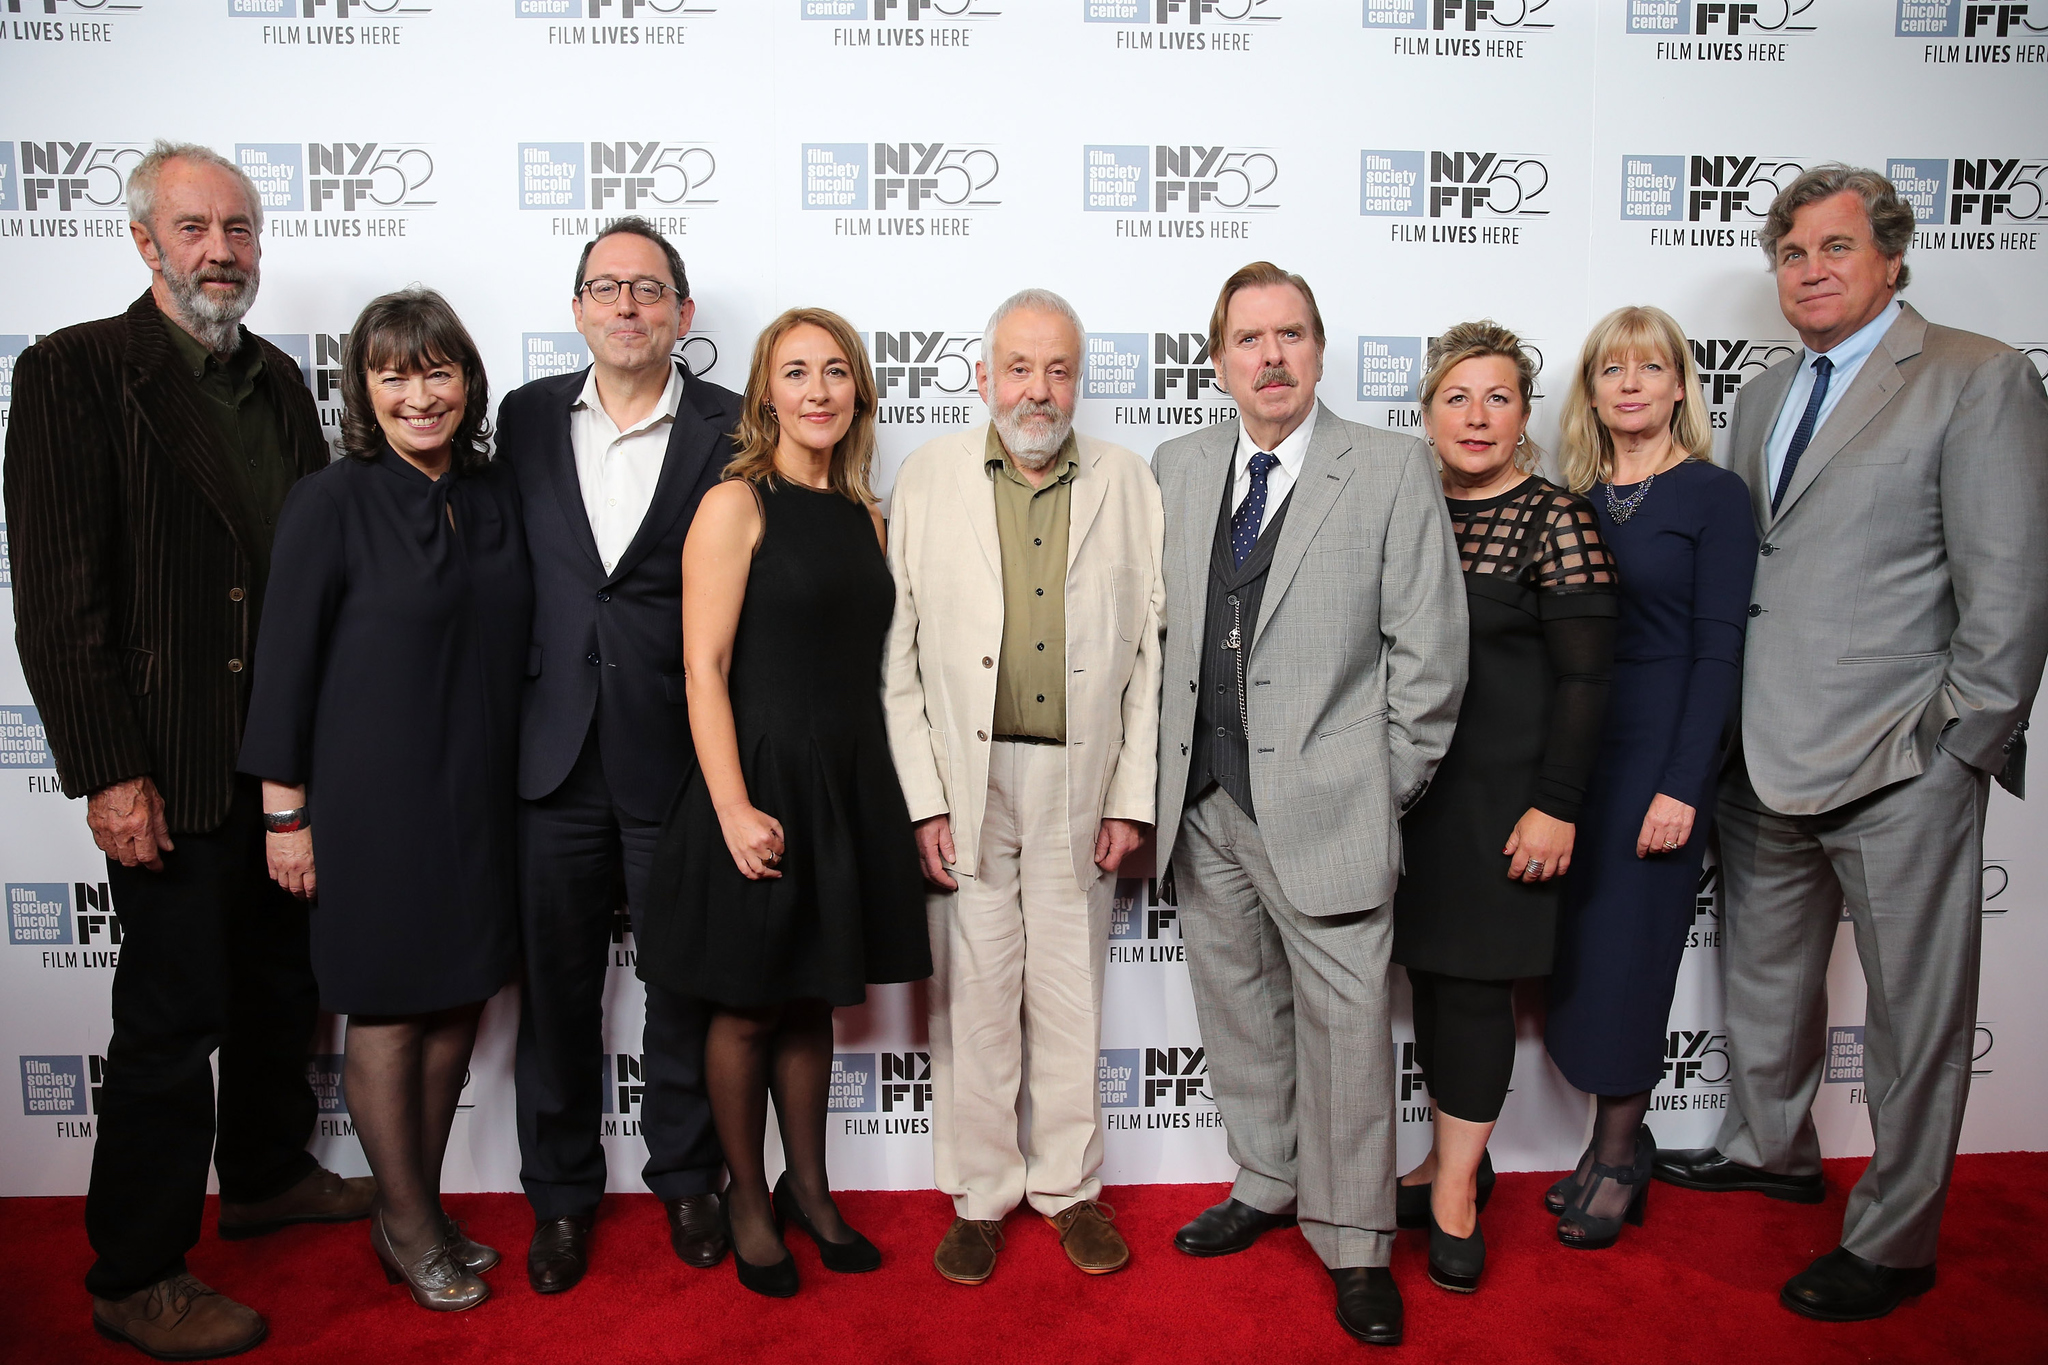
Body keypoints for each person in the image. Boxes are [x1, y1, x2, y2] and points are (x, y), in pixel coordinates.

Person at [1650, 165, 2048, 1321]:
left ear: (1887, 258)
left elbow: (2010, 584)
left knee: (1913, 1012)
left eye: (1832, 248)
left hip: (1897, 758)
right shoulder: (1769, 394)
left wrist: (1958, 744)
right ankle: (1767, 1148)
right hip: (1761, 748)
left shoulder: (1975, 375)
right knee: (1765, 976)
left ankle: (1894, 1237)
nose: (1808, 271)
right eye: (1789, 254)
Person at [3, 141, 372, 1361]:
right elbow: (59, 601)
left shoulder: (274, 379)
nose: (224, 250)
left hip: (276, 768)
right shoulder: (73, 374)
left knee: (280, 995)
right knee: (170, 1026)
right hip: (161, 765)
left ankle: (263, 1176)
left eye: (243, 229)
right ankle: (135, 1270)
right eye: (198, 227)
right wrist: (110, 772)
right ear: (145, 242)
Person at [1153, 262, 1467, 1347]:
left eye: (1290, 334)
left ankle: (1352, 1241)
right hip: (1203, 802)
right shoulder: (1178, 465)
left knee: (1342, 1036)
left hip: (1332, 807)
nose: (1271, 356)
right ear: (1217, 359)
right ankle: (1265, 1178)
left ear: (1319, 349)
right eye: (1248, 339)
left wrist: (1375, 789)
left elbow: (1428, 658)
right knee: (1239, 1014)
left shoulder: (1385, 468)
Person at [238, 287, 530, 1312]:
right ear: (363, 387)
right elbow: (283, 667)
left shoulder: (493, 492)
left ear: (467, 379)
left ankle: (421, 1205)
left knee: (457, 998)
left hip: (479, 795)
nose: (418, 394)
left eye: (437, 369)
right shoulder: (331, 500)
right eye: (393, 373)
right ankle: (404, 1226)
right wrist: (285, 812)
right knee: (392, 1013)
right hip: (373, 802)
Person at [637, 308, 931, 1298]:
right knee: (747, 1007)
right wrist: (730, 807)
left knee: (809, 1000)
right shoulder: (736, 503)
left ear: (857, 392)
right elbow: (702, 666)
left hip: (847, 782)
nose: (817, 390)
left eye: (835, 372)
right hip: (756, 779)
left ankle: (811, 1190)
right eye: (796, 372)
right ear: (766, 391)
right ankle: (747, 1198)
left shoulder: (871, 515)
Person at [882, 289, 1166, 1286]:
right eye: (1017, 368)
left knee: (1068, 994)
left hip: (1078, 779)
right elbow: (899, 655)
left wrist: (1131, 795)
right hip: (968, 776)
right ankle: (980, 1197)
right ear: (982, 376)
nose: (1035, 391)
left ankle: (1070, 1189)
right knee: (976, 998)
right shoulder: (926, 477)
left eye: (1055, 370)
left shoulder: (1129, 483)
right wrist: (923, 798)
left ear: (1076, 380)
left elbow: (1149, 659)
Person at [495, 217, 739, 1292]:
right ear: (580, 308)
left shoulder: (737, 429)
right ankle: (558, 1197)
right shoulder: (524, 416)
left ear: (683, 315)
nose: (627, 306)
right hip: (548, 759)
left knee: (681, 983)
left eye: (648, 289)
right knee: (556, 994)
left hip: (678, 754)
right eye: (606, 287)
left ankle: (687, 1176)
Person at [1392, 321, 1618, 1291]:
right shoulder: (1400, 512)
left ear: (1524, 415)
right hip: (1407, 800)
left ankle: (1452, 1196)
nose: (1475, 416)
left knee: (1476, 992)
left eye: (1496, 397)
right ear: (1426, 413)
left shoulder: (1553, 519)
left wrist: (1555, 806)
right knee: (1432, 991)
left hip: (1504, 804)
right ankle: (1448, 1158)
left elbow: (1585, 682)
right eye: (1456, 397)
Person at [1543, 305, 1755, 1249]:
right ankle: (1603, 1140)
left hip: (1661, 760)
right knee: (1585, 954)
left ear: (1679, 384)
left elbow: (1719, 654)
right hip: (1577, 757)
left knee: (1634, 957)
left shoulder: (1713, 495)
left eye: (1650, 367)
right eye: (1611, 369)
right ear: (1591, 390)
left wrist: (1684, 783)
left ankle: (1625, 1153)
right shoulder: (1574, 497)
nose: (1630, 383)